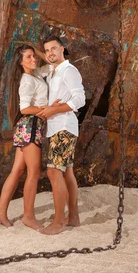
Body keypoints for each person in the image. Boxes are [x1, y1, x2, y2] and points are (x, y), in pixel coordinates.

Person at [0, 44, 48, 230]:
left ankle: (0, 211)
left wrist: (35, 48)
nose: (34, 59)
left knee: (17, 170)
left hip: (28, 126)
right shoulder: (27, 80)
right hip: (31, 126)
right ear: (20, 62)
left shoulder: (37, 74)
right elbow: (24, 108)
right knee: (34, 172)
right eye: (29, 57)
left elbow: (52, 63)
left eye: (34, 56)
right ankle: (28, 216)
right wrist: (46, 110)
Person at [36, 35, 85, 235]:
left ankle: (58, 222)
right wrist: (37, 50)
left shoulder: (68, 71)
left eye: (54, 48)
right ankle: (73, 217)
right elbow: (46, 62)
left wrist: (54, 110)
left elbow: (79, 99)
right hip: (60, 128)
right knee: (67, 172)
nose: (50, 53)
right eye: (47, 50)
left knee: (54, 172)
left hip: (64, 128)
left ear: (63, 49)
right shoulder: (54, 72)